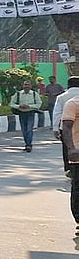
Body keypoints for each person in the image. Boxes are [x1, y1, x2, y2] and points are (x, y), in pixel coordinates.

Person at [59, 94, 79, 249]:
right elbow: (66, 127)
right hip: (78, 153)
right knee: (78, 189)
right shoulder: (73, 103)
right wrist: (71, 148)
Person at [9, 79, 42, 152]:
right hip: (22, 113)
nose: (26, 86)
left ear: (31, 86)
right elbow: (12, 103)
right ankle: (27, 143)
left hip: (30, 113)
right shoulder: (18, 94)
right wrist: (19, 106)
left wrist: (29, 106)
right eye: (25, 85)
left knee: (29, 129)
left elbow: (39, 104)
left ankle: (29, 145)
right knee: (24, 130)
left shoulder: (34, 94)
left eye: (28, 85)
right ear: (22, 86)